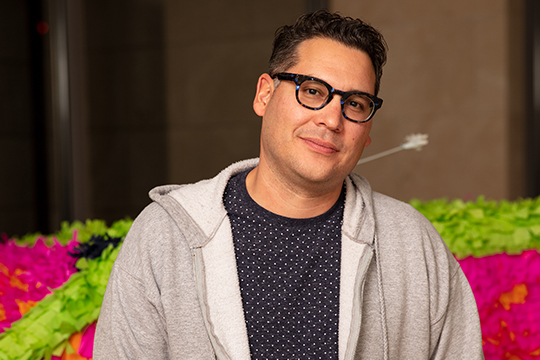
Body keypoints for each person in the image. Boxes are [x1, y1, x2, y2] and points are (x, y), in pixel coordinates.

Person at [94, 10, 484, 360]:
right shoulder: (164, 236)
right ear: (265, 94)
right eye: (312, 91)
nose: (332, 120)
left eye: (355, 104)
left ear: (367, 130)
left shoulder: (413, 245)